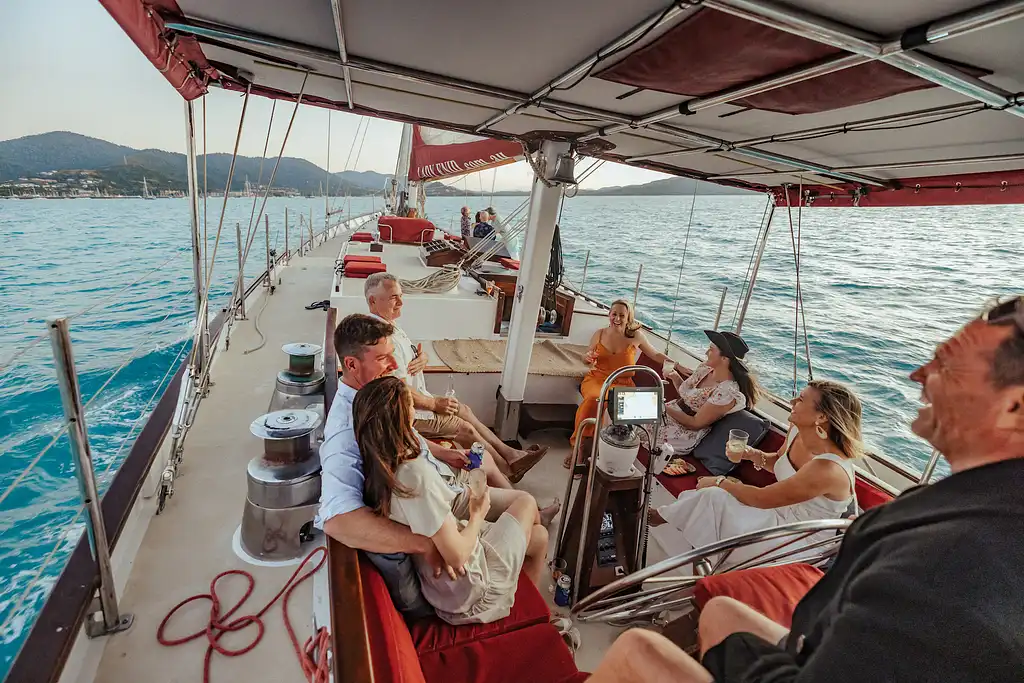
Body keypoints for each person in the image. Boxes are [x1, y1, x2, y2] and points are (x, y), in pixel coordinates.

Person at [587, 296, 1024, 682]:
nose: (918, 374)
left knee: (637, 649)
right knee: (720, 609)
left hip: (797, 576)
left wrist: (721, 478)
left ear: (1013, 406)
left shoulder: (955, 559)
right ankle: (683, 575)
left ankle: (666, 556)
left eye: (947, 366)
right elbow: (775, 470)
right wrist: (752, 461)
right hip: (811, 635)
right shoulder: (949, 506)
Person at [317, 314, 548, 575]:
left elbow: (399, 434)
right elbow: (337, 520)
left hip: (442, 485)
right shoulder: (345, 430)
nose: (395, 365)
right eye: (383, 358)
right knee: (536, 530)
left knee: (509, 488)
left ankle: (529, 523)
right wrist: (423, 544)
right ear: (351, 364)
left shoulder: (373, 397)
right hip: (437, 505)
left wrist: (442, 453)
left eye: (392, 354)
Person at [355, 376, 549, 624]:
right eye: (412, 406)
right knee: (527, 504)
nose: (417, 410)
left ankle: (532, 612)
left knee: (539, 536)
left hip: (450, 572)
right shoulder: (414, 476)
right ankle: (518, 610)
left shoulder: (381, 455)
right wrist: (478, 513)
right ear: (401, 419)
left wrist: (448, 455)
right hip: (469, 593)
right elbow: (457, 557)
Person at [364, 272, 551, 488]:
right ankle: (507, 471)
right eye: (394, 297)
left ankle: (511, 455)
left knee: (464, 410)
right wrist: (435, 404)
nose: (401, 302)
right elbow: (396, 388)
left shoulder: (389, 326)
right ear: (372, 301)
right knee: (465, 428)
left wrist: (422, 358)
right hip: (409, 412)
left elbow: (410, 356)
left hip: (419, 399)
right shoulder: (379, 338)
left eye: (401, 295)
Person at [649, 379, 862, 560]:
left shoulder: (827, 469)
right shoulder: (797, 430)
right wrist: (750, 454)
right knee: (712, 501)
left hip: (798, 538)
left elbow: (761, 498)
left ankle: (661, 520)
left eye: (801, 400)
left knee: (713, 498)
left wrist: (718, 481)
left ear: (822, 417)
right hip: (775, 514)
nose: (792, 402)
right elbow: (778, 461)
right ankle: (701, 572)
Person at [566, 299, 674, 467]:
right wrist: (587, 357)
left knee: (611, 399)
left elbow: (655, 355)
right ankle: (579, 448)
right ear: (609, 315)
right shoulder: (600, 333)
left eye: (621, 315)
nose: (617, 318)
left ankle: (598, 449)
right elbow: (586, 355)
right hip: (597, 379)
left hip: (622, 382)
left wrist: (677, 365)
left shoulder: (636, 336)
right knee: (594, 398)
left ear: (628, 317)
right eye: (614, 314)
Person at [660, 330, 761, 454]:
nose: (706, 352)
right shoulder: (705, 368)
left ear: (724, 358)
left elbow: (695, 423)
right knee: (632, 417)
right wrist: (675, 377)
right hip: (669, 413)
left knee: (634, 428)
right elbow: (687, 396)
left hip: (682, 433)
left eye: (711, 349)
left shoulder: (727, 392)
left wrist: (661, 407)